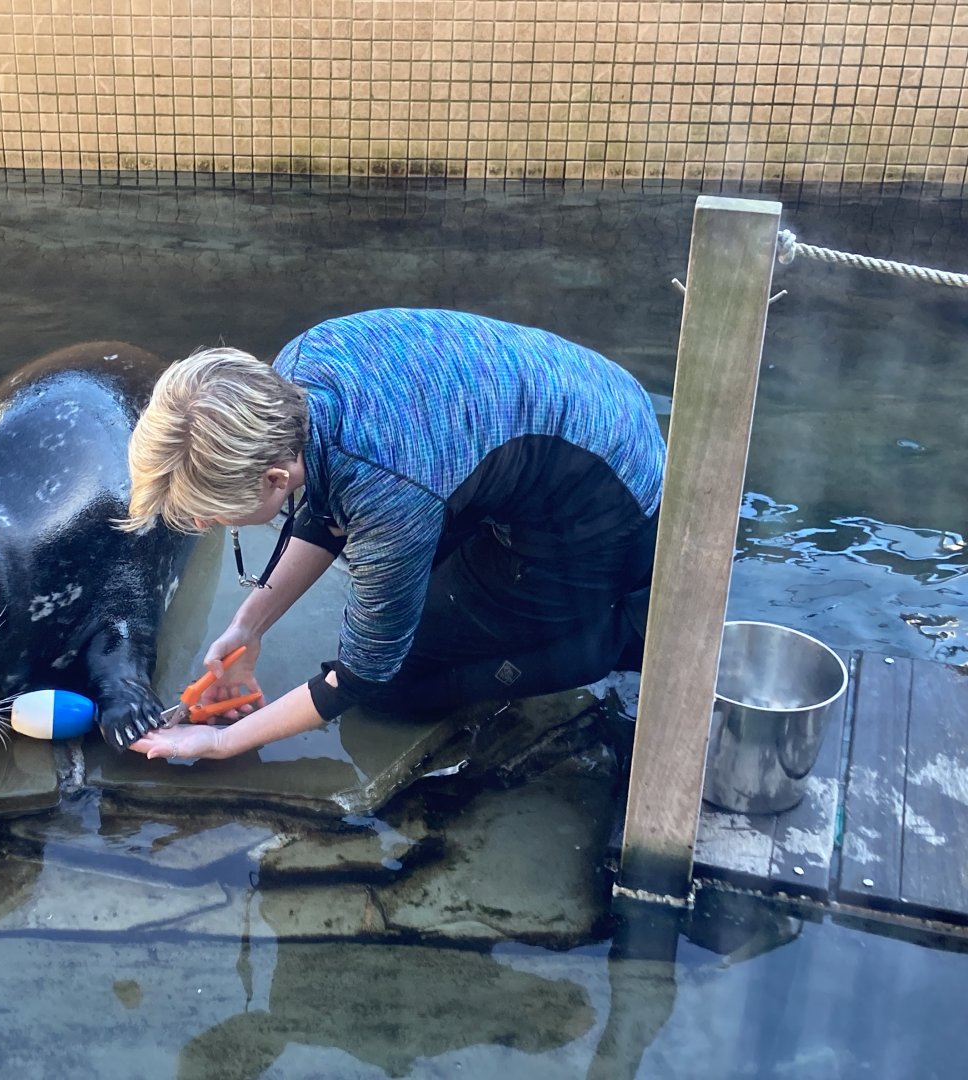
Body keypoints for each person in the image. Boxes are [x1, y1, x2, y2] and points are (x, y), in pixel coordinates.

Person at [119, 307, 665, 762]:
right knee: (410, 592)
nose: (204, 525)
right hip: (591, 400)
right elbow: (330, 503)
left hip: (605, 510)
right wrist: (248, 627)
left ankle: (619, 635)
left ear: (275, 479)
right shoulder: (300, 367)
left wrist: (221, 741)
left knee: (396, 686)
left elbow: (362, 674)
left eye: (214, 515)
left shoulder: (390, 493)